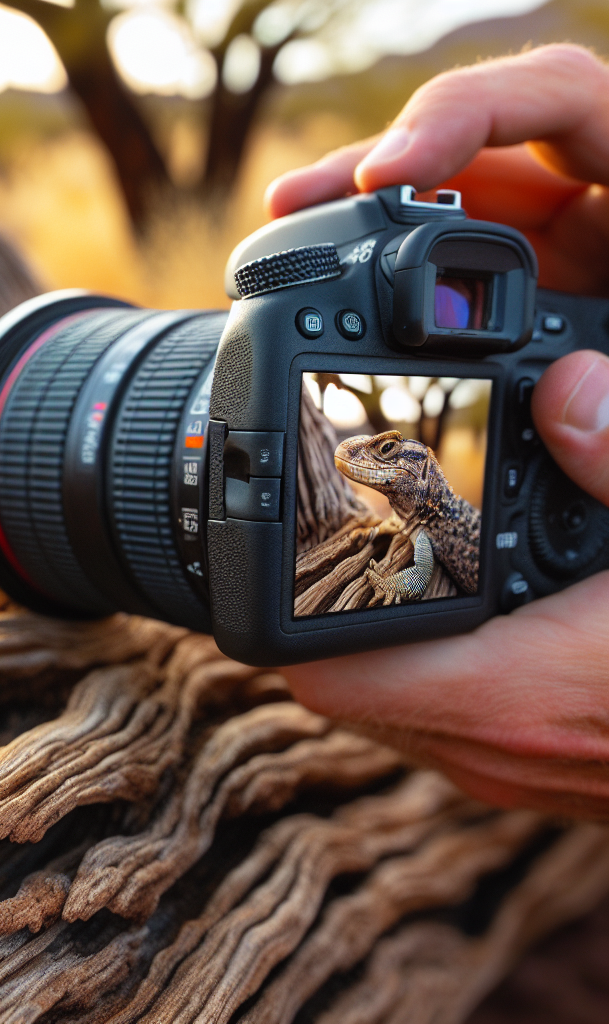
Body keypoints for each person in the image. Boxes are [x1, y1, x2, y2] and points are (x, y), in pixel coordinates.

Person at [266, 44, 609, 818]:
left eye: (389, 452)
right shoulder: (425, 514)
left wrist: (385, 589)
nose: (367, 457)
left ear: (418, 470)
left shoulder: (430, 525)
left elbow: (411, 575)